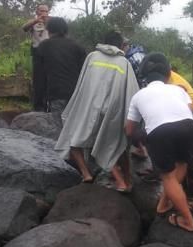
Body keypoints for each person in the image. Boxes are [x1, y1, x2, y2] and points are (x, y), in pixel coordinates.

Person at [55, 30, 138, 192]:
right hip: (112, 112)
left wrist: (77, 106)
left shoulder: (92, 57)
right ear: (121, 45)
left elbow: (83, 84)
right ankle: (125, 181)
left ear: (104, 42)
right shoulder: (123, 63)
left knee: (72, 137)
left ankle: (86, 174)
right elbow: (131, 90)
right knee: (115, 145)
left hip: (89, 108)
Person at [125, 61, 193, 232]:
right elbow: (188, 111)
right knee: (182, 163)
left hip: (160, 131)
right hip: (188, 126)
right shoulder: (178, 89)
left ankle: (188, 221)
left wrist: (140, 137)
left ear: (145, 78)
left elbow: (129, 130)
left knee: (168, 177)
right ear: (167, 75)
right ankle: (165, 202)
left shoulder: (138, 96)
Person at [36, 17, 87, 116]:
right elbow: (85, 74)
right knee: (74, 126)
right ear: (65, 30)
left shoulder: (43, 47)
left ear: (48, 30)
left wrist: (38, 104)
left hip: (55, 95)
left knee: (57, 126)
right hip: (76, 96)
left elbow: (39, 78)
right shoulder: (77, 47)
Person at [21, 4, 50, 111]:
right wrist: (35, 21)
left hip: (50, 53)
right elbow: (24, 28)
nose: (44, 13)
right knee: (38, 80)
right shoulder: (33, 22)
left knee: (49, 79)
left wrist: (47, 22)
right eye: (41, 11)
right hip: (37, 52)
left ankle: (49, 105)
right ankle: (38, 106)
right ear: (37, 11)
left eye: (46, 11)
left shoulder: (51, 22)